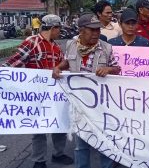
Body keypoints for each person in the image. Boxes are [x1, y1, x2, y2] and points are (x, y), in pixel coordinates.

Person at [2, 15, 73, 168]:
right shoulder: (32, 42)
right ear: (53, 28)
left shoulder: (56, 47)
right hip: (35, 95)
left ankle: (58, 154)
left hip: (54, 94)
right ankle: (39, 160)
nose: (60, 32)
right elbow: (13, 63)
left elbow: (63, 65)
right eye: (59, 28)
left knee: (58, 124)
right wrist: (6, 79)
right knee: (38, 128)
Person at [52, 13, 121, 168]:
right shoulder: (71, 44)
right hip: (80, 104)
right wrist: (58, 67)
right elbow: (67, 62)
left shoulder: (106, 48)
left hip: (103, 105)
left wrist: (108, 69)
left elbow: (118, 69)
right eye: (92, 30)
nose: (96, 33)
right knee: (81, 144)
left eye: (98, 30)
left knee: (105, 143)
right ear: (81, 31)